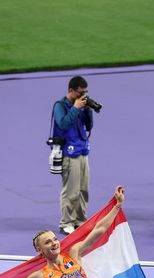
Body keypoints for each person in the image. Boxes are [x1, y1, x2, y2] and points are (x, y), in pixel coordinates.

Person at [52, 76, 96, 235]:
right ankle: (66, 222)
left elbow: (89, 126)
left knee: (83, 189)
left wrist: (88, 111)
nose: (83, 96)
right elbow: (63, 124)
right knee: (71, 190)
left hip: (83, 150)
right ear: (71, 90)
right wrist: (76, 108)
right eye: (80, 92)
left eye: (85, 92)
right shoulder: (60, 106)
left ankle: (80, 219)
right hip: (69, 153)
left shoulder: (81, 105)